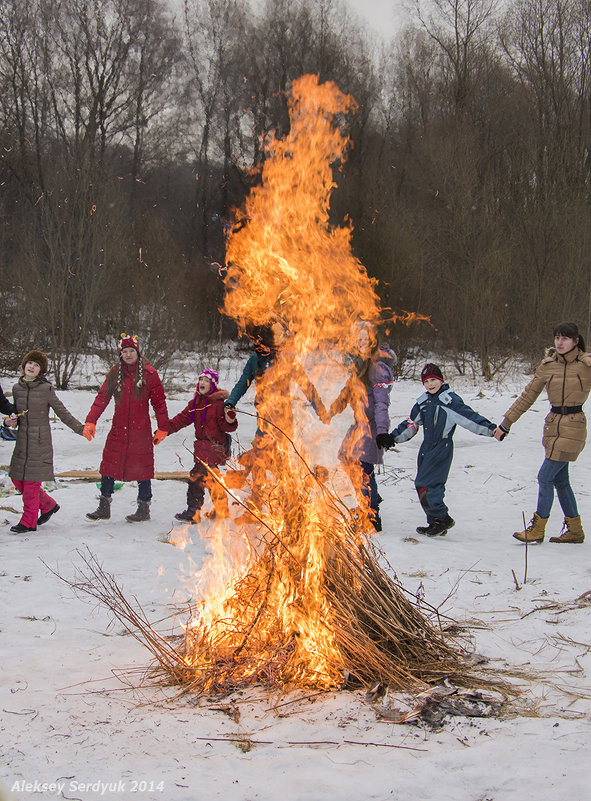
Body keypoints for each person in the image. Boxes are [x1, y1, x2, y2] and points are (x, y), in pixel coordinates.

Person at [377, 363, 501, 537]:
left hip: (441, 447)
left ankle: (442, 519)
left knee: (430, 485)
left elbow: (469, 417)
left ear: (441, 380)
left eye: (434, 380)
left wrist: (491, 430)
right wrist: (392, 438)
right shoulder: (423, 402)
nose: (430, 384)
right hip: (426, 447)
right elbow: (411, 424)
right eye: (426, 381)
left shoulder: (449, 401)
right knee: (423, 484)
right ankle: (435, 521)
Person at [499, 322, 591, 544]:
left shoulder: (586, 365)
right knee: (561, 481)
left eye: (565, 338)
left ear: (576, 341)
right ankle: (575, 531)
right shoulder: (548, 366)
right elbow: (528, 396)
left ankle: (538, 528)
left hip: (574, 427)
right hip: (552, 427)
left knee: (545, 476)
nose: (559, 342)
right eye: (557, 338)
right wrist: (506, 423)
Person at [84, 334, 169, 523]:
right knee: (108, 466)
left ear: (138, 353)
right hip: (119, 429)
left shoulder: (149, 374)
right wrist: (91, 421)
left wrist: (163, 427)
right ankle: (104, 506)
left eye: (132, 351)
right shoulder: (115, 373)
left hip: (141, 431)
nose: (128, 354)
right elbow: (102, 398)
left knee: (143, 469)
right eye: (125, 351)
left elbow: (159, 403)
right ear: (120, 354)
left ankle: (143, 508)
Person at [327, 322, 395, 532]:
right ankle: (370, 495)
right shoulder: (360, 364)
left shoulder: (378, 368)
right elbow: (348, 390)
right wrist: (333, 409)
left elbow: (382, 403)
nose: (363, 343)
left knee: (363, 468)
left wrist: (382, 432)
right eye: (360, 339)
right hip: (359, 424)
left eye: (367, 339)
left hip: (372, 426)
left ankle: (372, 517)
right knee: (346, 458)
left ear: (373, 341)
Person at [8, 350, 85, 533]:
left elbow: (62, 412)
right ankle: (48, 505)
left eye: (36, 365)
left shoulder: (46, 389)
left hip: (39, 442)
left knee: (31, 485)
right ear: (24, 366)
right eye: (29, 363)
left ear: (41, 370)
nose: (32, 367)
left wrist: (81, 429)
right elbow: (16, 415)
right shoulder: (17, 388)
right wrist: (10, 421)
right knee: (17, 479)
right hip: (22, 441)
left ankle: (28, 521)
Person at [156, 368, 237, 523]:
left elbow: (228, 427)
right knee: (212, 478)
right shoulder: (196, 403)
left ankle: (193, 511)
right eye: (201, 380)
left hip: (215, 447)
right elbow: (181, 419)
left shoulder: (219, 405)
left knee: (196, 476)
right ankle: (222, 509)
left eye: (207, 381)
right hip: (202, 448)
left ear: (212, 385)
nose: (202, 383)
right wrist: (165, 430)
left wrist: (230, 419)